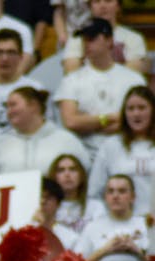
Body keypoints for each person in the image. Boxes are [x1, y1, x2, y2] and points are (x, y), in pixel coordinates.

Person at [54, 17, 146, 159]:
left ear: (109, 40)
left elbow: (141, 119)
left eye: (92, 39)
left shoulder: (133, 79)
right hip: (85, 153)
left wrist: (88, 122)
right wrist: (109, 118)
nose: (86, 44)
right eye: (84, 39)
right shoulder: (71, 80)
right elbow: (71, 121)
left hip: (125, 152)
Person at [87, 86, 155, 218]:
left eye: (142, 108)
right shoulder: (111, 145)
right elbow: (94, 192)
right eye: (131, 109)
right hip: (120, 223)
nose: (136, 114)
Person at [0, 87, 90, 174]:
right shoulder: (1, 144)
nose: (9, 111)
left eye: (13, 105)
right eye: (7, 107)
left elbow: (82, 176)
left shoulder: (66, 141)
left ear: (33, 106)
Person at [60, 0, 148, 75]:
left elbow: (133, 74)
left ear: (118, 6)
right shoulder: (77, 38)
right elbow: (71, 72)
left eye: (108, 1)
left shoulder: (133, 38)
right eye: (97, 1)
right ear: (90, 7)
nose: (102, 6)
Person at [49, 153, 103, 233]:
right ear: (54, 177)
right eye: (61, 170)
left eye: (73, 169)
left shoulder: (96, 207)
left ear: (81, 176)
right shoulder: (46, 208)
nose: (67, 174)